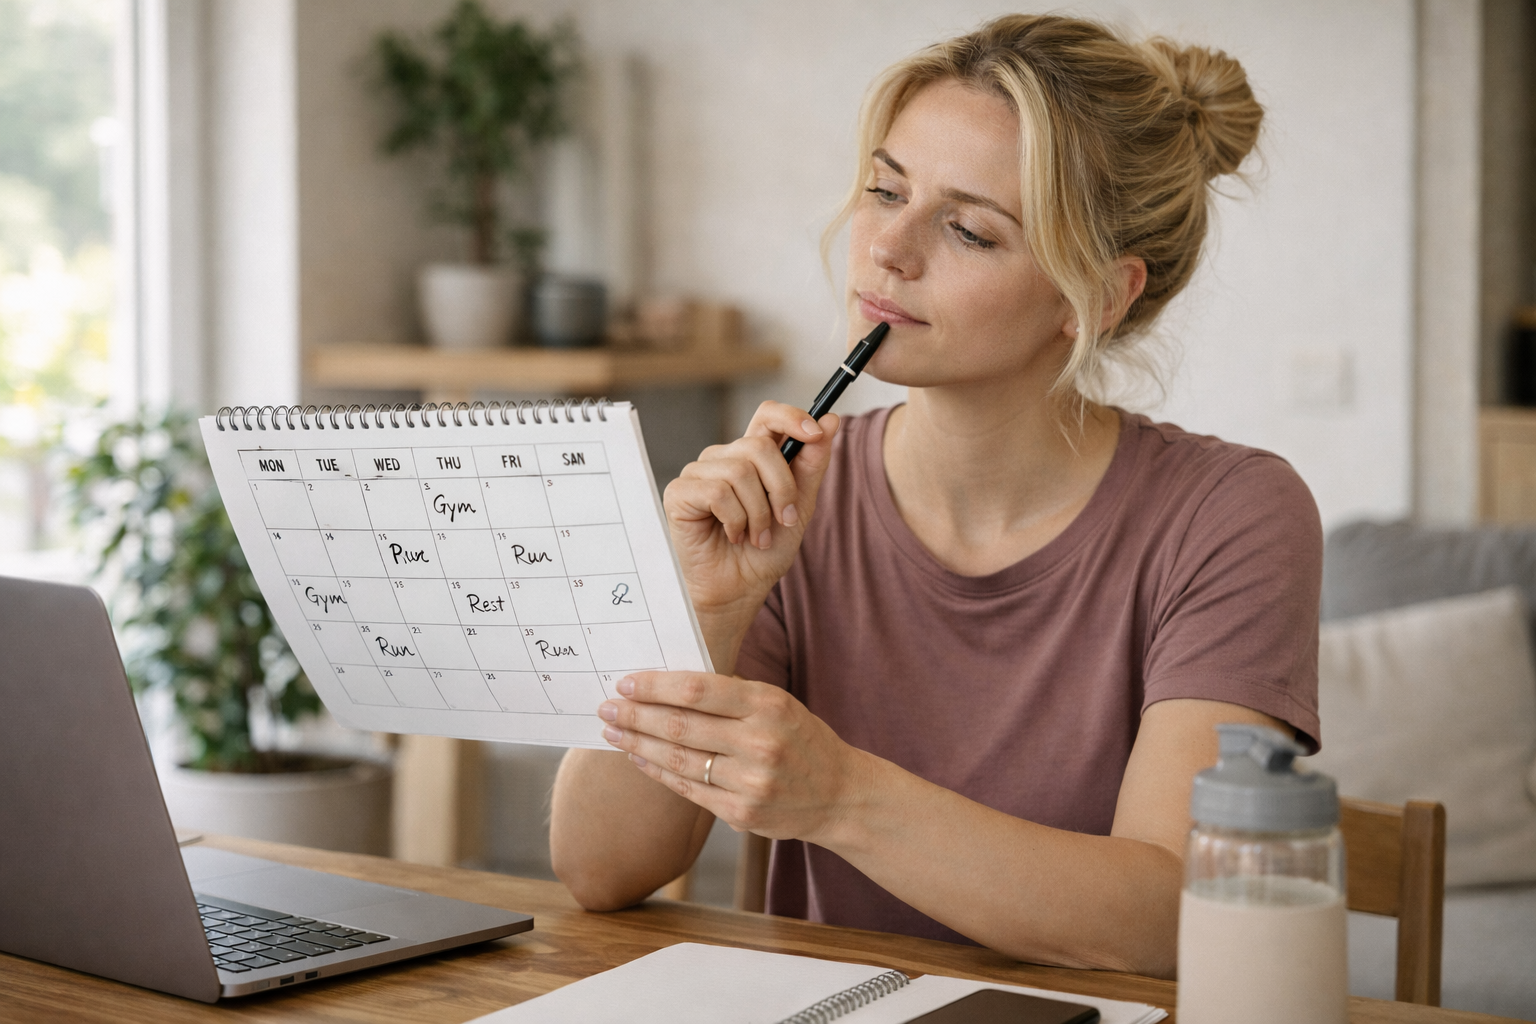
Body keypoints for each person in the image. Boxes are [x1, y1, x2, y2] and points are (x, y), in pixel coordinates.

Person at [549, 13, 1320, 979]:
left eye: (968, 229)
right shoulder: (799, 500)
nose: (888, 250)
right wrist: (704, 606)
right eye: (885, 189)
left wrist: (837, 797)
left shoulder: (1231, 514)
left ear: (1098, 298)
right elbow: (598, 868)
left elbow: (1169, 921)